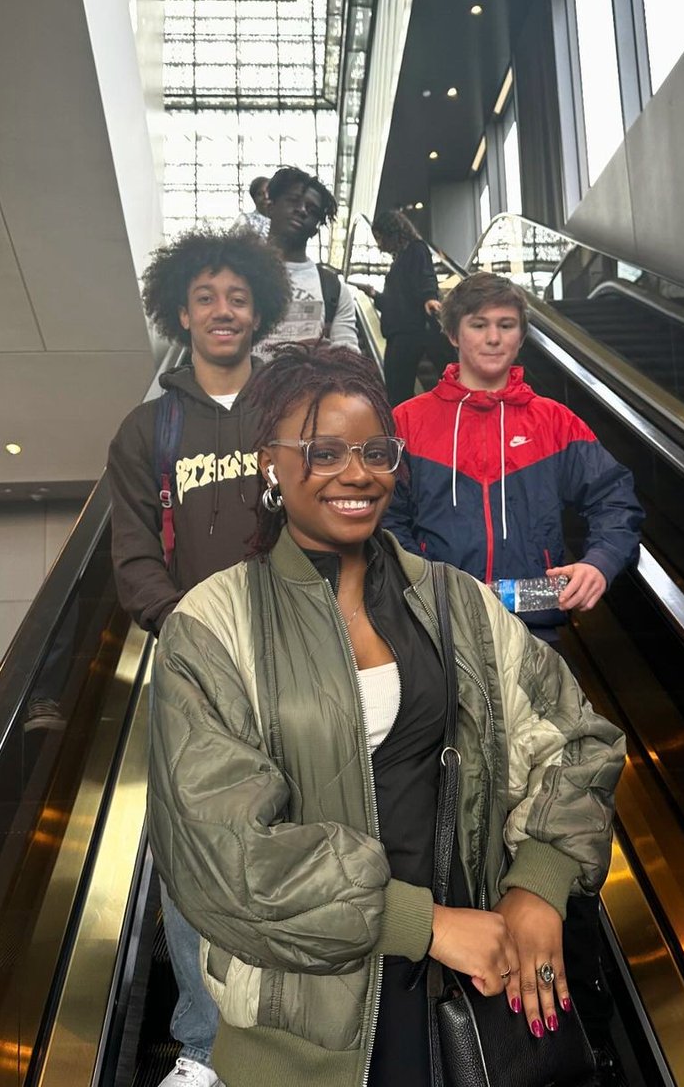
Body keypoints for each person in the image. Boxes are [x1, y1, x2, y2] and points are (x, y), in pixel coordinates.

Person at [147, 340, 626, 1087]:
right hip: (306, 1030)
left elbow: (575, 736)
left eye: (376, 450)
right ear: (269, 462)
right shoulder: (212, 625)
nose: (358, 474)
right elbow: (222, 855)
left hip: (471, 996)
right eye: (324, 451)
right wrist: (423, 925)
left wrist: (538, 881)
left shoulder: (451, 599)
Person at [384, 269, 643, 1074]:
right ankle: (454, 975)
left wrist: (600, 562)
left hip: (535, 644)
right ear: (453, 335)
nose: (495, 340)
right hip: (438, 643)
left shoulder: (557, 423)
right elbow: (382, 520)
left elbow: (618, 502)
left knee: (540, 783)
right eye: (481, 327)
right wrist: (426, 593)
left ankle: (533, 979)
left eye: (508, 327)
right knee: (448, 803)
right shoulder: (405, 423)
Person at [107, 227, 291, 1087]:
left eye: (239, 297)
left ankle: (299, 1027)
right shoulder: (151, 429)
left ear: (260, 311)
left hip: (294, 658)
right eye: (207, 297)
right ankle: (203, 1046)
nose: (224, 311)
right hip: (190, 668)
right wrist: (182, 629)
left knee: (300, 835)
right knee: (188, 858)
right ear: (181, 312)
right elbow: (135, 553)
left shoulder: (291, 414)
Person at [261, 166, 359, 355]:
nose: (302, 210)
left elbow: (349, 355)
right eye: (293, 201)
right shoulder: (237, 273)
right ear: (270, 207)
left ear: (315, 229)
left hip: (308, 383)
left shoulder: (333, 288)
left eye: (312, 210)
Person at [353, 209, 443, 407]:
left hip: (409, 332)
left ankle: (400, 432)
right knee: (395, 390)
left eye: (380, 237)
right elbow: (395, 303)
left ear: (392, 232)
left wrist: (430, 298)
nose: (378, 244)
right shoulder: (399, 260)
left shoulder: (416, 249)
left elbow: (426, 275)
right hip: (397, 332)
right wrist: (375, 295)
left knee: (398, 391)